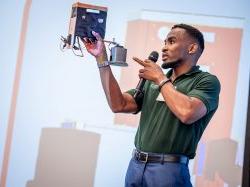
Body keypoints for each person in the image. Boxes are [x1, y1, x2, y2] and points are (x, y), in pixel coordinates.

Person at [82, 23, 220, 187]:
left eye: (171, 41)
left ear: (192, 48)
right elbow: (118, 104)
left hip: (169, 169)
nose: (164, 48)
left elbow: (187, 113)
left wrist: (160, 79)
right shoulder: (154, 81)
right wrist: (102, 59)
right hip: (136, 165)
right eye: (164, 42)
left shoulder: (206, 81)